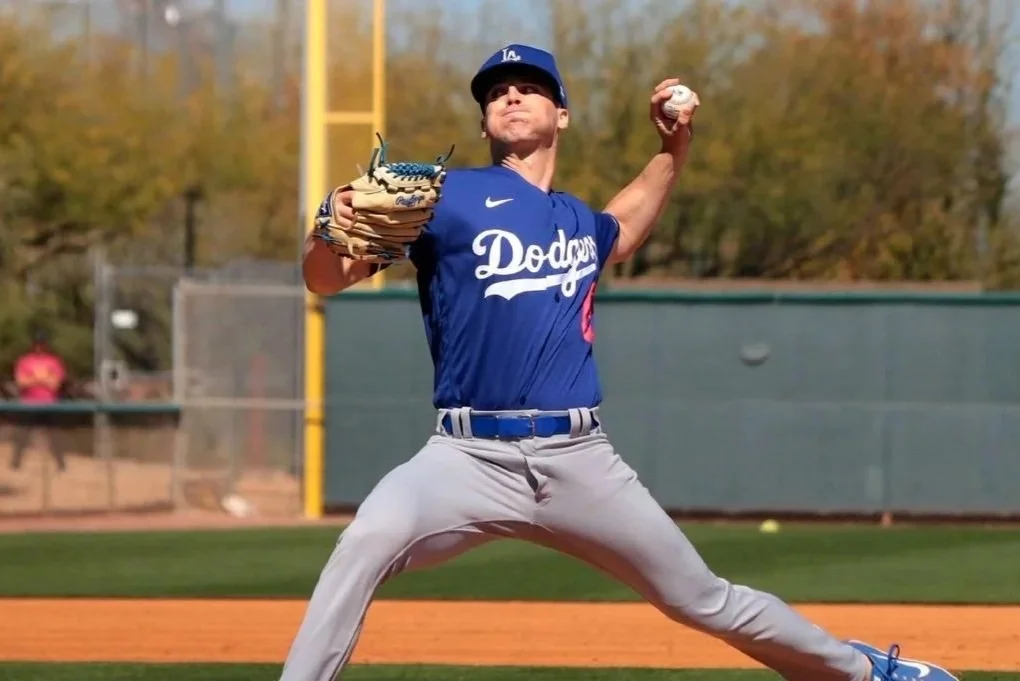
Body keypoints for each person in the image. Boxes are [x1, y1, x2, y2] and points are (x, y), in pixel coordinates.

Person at [286, 44, 956, 681]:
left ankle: (867, 670)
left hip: (579, 458)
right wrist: (326, 225)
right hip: (463, 457)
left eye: (529, 88)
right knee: (365, 542)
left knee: (703, 597)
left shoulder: (578, 221)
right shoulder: (445, 197)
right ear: (483, 119)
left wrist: (675, 147)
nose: (511, 96)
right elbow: (326, 278)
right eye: (496, 92)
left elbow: (625, 226)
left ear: (562, 114)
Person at [9, 330, 68, 472]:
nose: (39, 347)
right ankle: (15, 463)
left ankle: (61, 465)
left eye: (42, 344)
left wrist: (34, 378)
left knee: (54, 435)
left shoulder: (53, 361)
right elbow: (21, 382)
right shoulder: (25, 361)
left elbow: (55, 384)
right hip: (29, 403)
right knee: (22, 435)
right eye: (37, 343)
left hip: (49, 403)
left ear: (46, 345)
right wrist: (42, 378)